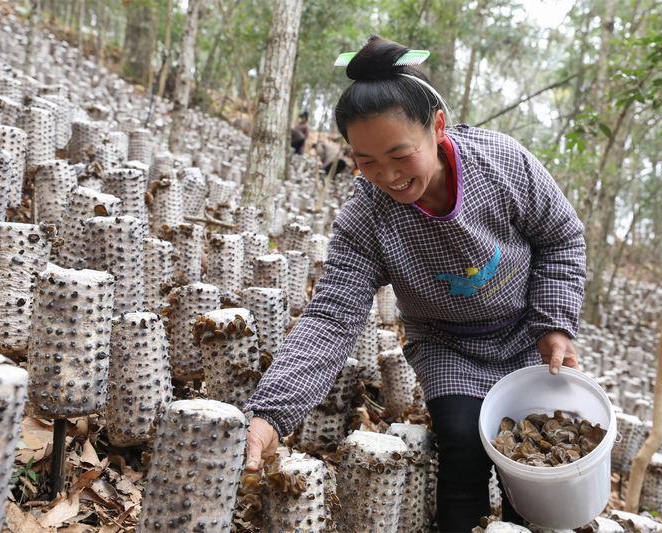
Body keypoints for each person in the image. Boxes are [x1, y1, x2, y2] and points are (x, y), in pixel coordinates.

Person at [244, 35, 586, 532]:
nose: (387, 174)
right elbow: (332, 318)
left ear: (438, 127)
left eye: (400, 154)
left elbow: (560, 237)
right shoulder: (366, 219)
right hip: (448, 345)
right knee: (464, 446)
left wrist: (554, 326)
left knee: (534, 470)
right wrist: (271, 414)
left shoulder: (504, 164)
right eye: (366, 162)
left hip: (527, 336)